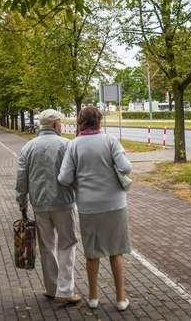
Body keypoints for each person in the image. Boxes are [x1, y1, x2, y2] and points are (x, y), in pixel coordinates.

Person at [58, 105, 132, 311]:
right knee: (115, 251)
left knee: (92, 253)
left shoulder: (73, 145)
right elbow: (126, 168)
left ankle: (93, 298)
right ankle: (120, 299)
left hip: (88, 206)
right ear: (99, 121)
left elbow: (64, 178)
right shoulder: (110, 140)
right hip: (115, 204)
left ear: (80, 122)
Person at [15, 109, 81, 304]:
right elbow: (74, 174)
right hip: (64, 202)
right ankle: (65, 291)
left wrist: (22, 203)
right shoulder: (66, 145)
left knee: (47, 246)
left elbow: (21, 178)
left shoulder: (28, 147)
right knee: (67, 245)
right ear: (54, 124)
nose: (61, 125)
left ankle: (51, 288)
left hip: (39, 204)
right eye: (60, 122)